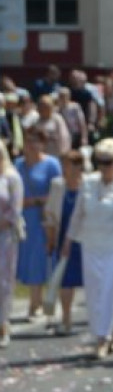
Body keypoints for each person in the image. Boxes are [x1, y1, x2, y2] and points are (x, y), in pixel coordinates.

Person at [65, 138, 113, 359]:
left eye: (108, 161)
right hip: (91, 243)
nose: (104, 166)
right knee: (95, 290)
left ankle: (103, 337)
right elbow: (78, 213)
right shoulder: (88, 183)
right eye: (100, 161)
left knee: (109, 289)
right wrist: (68, 241)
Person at [15, 122, 63, 320]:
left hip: (44, 218)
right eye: (29, 141)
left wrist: (35, 200)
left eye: (36, 141)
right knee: (28, 260)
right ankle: (36, 301)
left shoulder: (51, 164)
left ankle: (39, 303)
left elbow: (58, 190)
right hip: (24, 219)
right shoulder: (18, 165)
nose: (32, 145)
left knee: (43, 259)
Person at [43, 150, 86, 335]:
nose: (64, 169)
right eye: (63, 164)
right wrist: (51, 240)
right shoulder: (57, 185)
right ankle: (66, 318)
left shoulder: (89, 184)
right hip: (64, 238)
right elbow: (50, 214)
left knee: (91, 280)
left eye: (68, 164)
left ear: (78, 167)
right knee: (65, 280)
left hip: (86, 239)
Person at [0, 139, 23, 348]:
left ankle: (3, 324)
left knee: (3, 282)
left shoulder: (11, 177)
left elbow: (16, 210)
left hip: (4, 236)